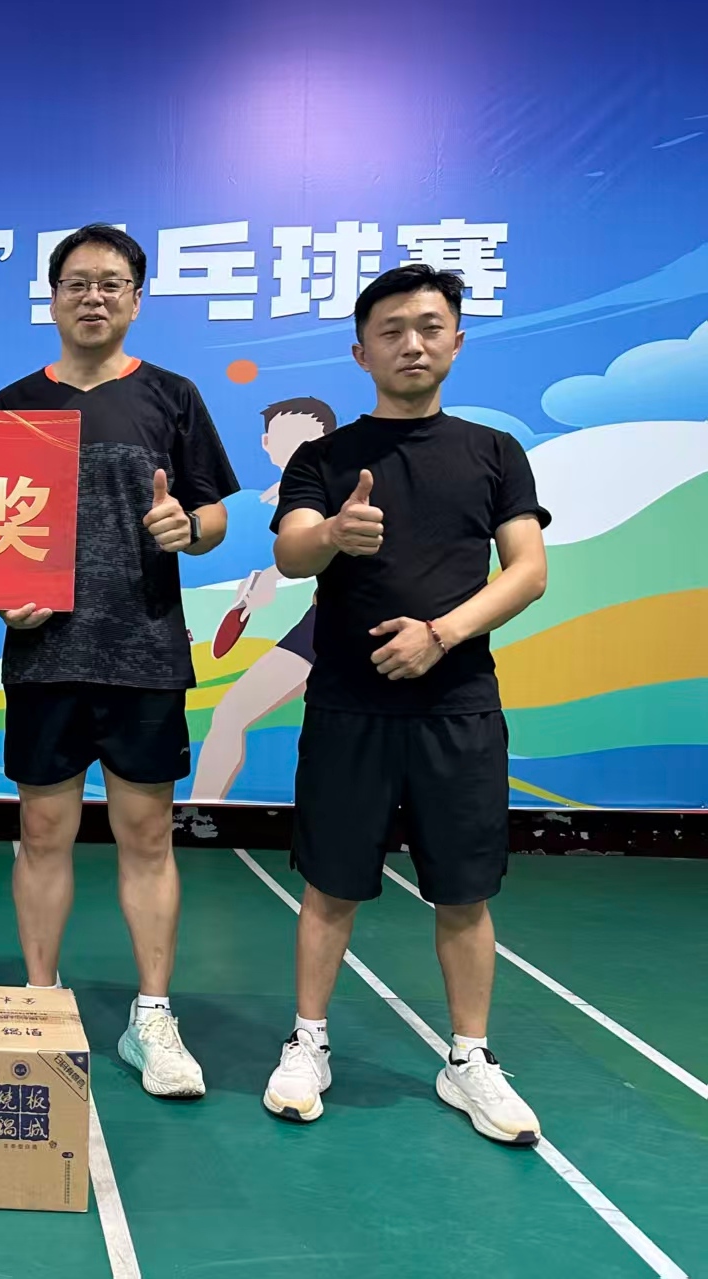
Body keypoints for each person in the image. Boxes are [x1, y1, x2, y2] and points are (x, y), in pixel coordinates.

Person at [262, 263, 550, 1143]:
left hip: (458, 707)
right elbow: (291, 554)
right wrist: (332, 532)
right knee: (329, 885)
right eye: (391, 331)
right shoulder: (324, 458)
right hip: (346, 706)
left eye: (429, 327)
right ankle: (307, 1042)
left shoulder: (494, 452)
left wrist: (441, 633)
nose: (412, 344)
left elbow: (529, 572)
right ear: (362, 353)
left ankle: (470, 1058)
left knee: (464, 891)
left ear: (456, 342)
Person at [0, 224, 239, 1099]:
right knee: (42, 834)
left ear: (136, 298)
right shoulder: (12, 403)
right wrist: (2, 595)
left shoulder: (172, 396)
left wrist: (188, 527)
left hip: (145, 653)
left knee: (147, 837)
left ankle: (152, 1016)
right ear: (53, 297)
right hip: (44, 657)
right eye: (77, 282)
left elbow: (215, 517)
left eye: (112, 283)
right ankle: (40, 1001)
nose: (93, 296)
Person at [191, 397, 336, 801]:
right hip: (314, 628)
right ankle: (201, 815)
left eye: (307, 438)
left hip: (358, 629)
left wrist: (273, 578)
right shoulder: (260, 502)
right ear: (267, 443)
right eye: (285, 437)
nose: (296, 447)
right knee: (230, 714)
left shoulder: (348, 487)